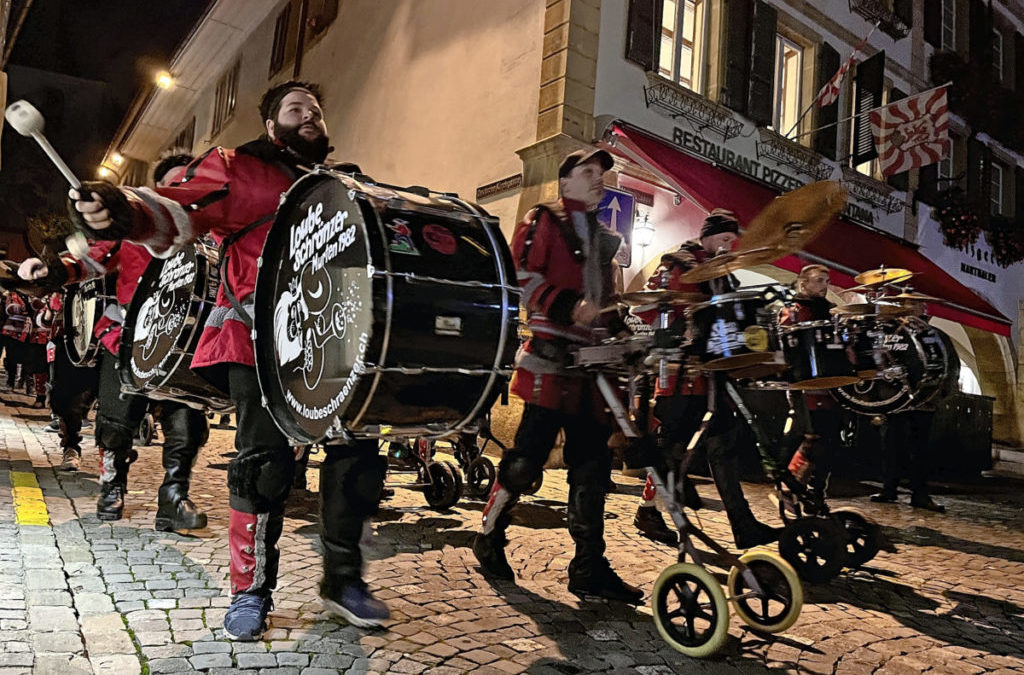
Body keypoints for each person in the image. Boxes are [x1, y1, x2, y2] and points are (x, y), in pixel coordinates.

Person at [58, 81, 389, 639]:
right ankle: (250, 589)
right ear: (270, 124)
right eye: (295, 108)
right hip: (257, 338)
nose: (309, 115)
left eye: (316, 110)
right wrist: (121, 206)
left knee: (356, 457)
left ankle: (343, 582)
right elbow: (173, 210)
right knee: (262, 466)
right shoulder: (236, 168)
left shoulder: (342, 184)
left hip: (333, 339)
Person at [473, 148, 643, 604]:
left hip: (589, 372)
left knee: (592, 468)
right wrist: (565, 305)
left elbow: (604, 304)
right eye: (587, 172)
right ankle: (489, 534)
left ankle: (589, 566)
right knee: (526, 460)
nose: (598, 179)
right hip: (550, 363)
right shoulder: (542, 220)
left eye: (601, 173)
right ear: (565, 182)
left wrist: (622, 331)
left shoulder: (604, 239)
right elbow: (520, 275)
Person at [19, 153, 210, 534]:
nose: (181, 195)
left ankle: (173, 496)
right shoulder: (136, 229)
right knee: (117, 422)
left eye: (189, 185)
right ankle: (112, 485)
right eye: (172, 187)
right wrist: (52, 268)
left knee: (187, 417)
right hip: (129, 337)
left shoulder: (209, 231)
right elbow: (90, 261)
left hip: (186, 340)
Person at [633, 210, 780, 550]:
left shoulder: (724, 275)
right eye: (725, 239)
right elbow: (646, 306)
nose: (729, 246)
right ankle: (648, 510)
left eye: (733, 240)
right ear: (708, 236)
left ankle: (743, 525)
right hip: (682, 373)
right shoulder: (678, 263)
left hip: (714, 373)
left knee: (722, 446)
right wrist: (678, 313)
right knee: (672, 449)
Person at [777, 264, 843, 505]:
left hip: (832, 386)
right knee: (811, 437)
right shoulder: (794, 311)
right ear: (803, 284)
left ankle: (817, 493)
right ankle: (790, 487)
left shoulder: (831, 313)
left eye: (826, 281)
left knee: (831, 441)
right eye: (818, 280)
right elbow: (788, 345)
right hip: (805, 384)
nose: (824, 286)